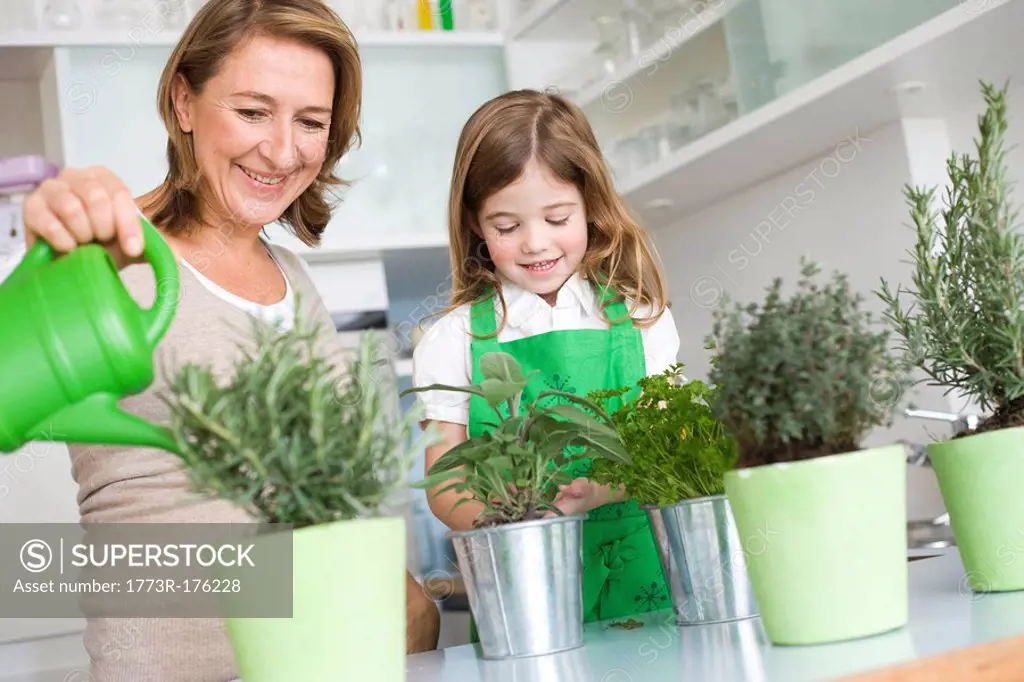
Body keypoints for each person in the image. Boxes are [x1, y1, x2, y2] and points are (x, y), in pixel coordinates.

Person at [18, 1, 438, 680]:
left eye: (311, 122)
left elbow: (320, 500)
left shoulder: (292, 278)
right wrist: (51, 239)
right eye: (252, 111)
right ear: (185, 100)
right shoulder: (111, 254)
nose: (281, 150)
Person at [412, 89, 681, 631]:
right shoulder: (451, 338)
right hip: (524, 599)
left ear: (591, 204)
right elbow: (444, 477)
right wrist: (515, 523)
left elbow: (670, 444)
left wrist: (606, 488)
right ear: (475, 225)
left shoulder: (640, 317)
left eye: (558, 218)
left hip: (648, 584)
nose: (535, 244)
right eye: (507, 227)